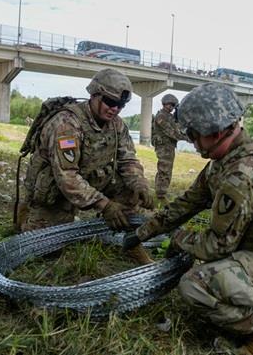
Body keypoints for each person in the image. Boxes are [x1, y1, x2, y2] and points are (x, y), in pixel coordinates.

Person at [124, 82, 253, 354]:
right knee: (215, 266)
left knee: (195, 285)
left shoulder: (241, 175)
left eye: (195, 134)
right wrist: (143, 232)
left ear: (217, 131)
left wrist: (179, 239)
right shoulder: (233, 156)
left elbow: (217, 246)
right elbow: (188, 202)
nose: (192, 141)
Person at [18, 68, 155, 265]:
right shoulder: (67, 124)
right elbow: (66, 177)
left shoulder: (117, 125)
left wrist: (140, 184)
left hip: (91, 179)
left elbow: (128, 160)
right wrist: (105, 205)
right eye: (110, 102)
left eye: (121, 105)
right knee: (43, 250)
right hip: (56, 190)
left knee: (129, 189)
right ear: (94, 95)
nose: (115, 109)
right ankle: (25, 215)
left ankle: (130, 243)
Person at [151, 93, 189, 203]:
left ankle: (162, 192)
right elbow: (171, 132)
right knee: (164, 170)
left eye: (174, 105)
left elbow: (177, 128)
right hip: (163, 147)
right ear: (165, 103)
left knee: (167, 169)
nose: (172, 107)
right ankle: (160, 194)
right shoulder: (161, 116)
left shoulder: (170, 116)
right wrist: (186, 138)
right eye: (171, 105)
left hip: (169, 146)